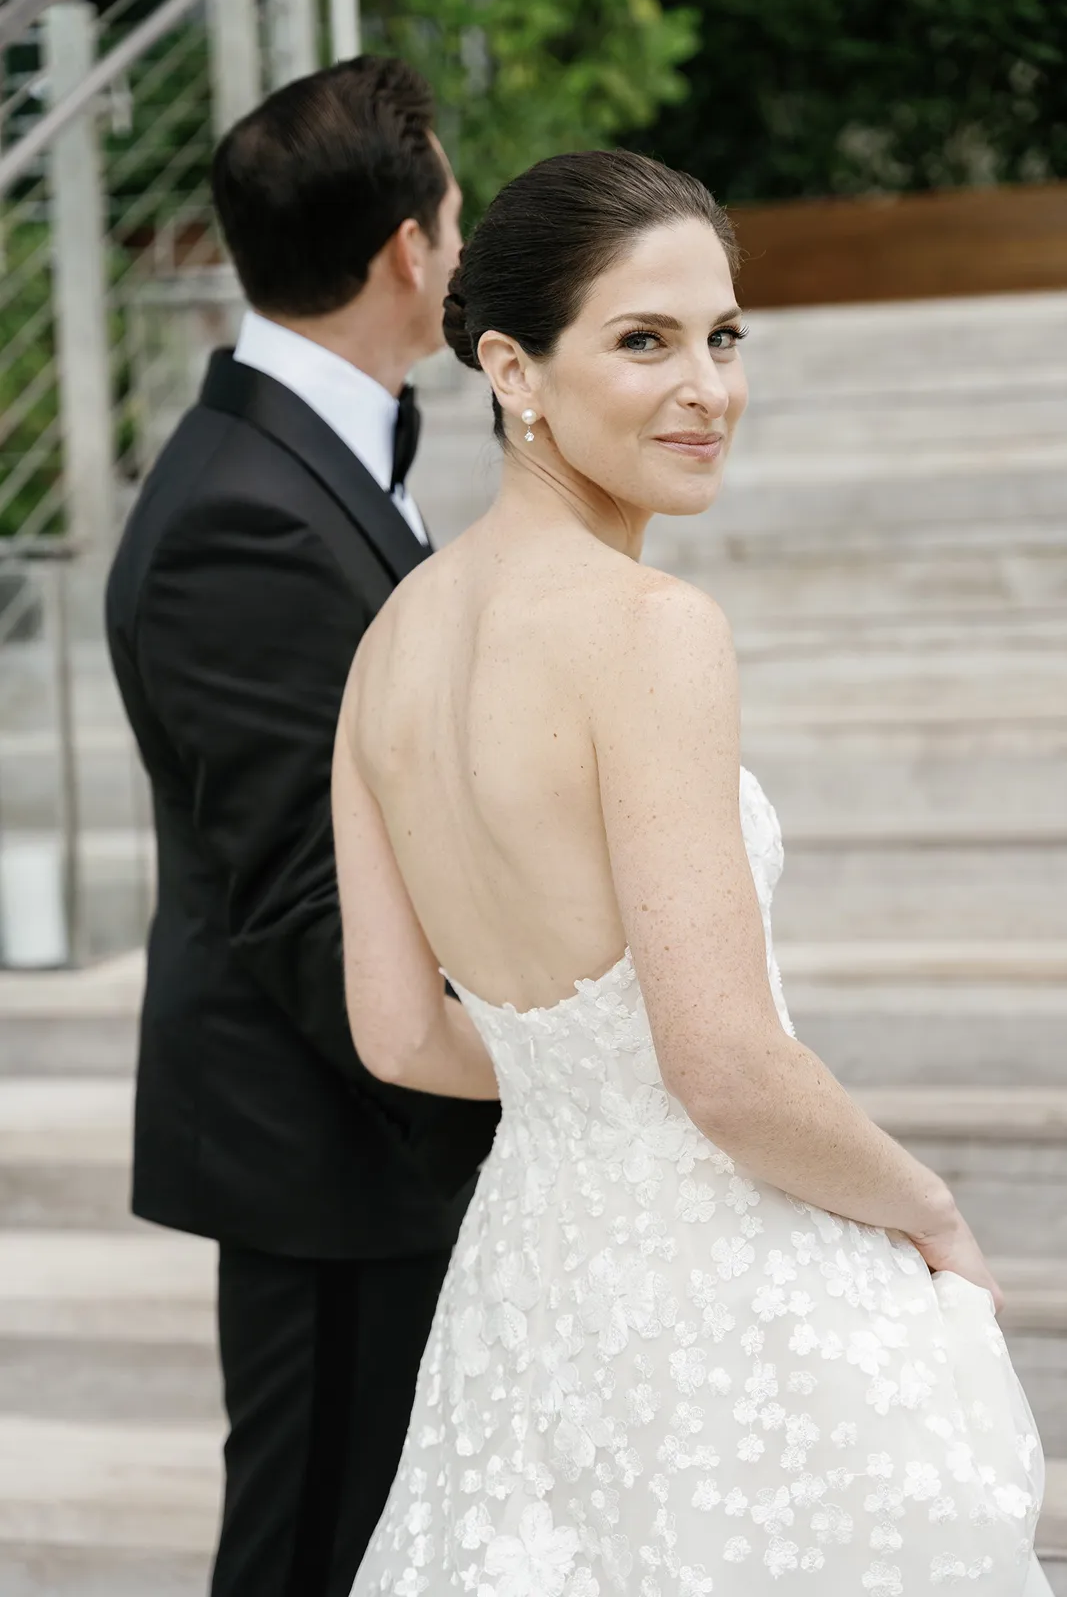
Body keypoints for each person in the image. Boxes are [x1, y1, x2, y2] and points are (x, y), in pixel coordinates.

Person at [333, 150, 1050, 1595]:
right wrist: (922, 1208)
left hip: (526, 1291)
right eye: (642, 341)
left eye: (723, 338)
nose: (706, 390)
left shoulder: (385, 647)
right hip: (715, 1283)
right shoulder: (650, 628)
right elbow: (719, 1062)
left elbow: (400, 1035)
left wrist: (579, 1083)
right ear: (511, 369)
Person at [105, 57, 498, 1597]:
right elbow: (297, 898)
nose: (457, 251)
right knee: (306, 1544)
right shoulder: (239, 515)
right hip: (328, 1142)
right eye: (453, 220)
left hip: (368, 1118)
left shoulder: (308, 454)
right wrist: (488, 1090)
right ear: (408, 249)